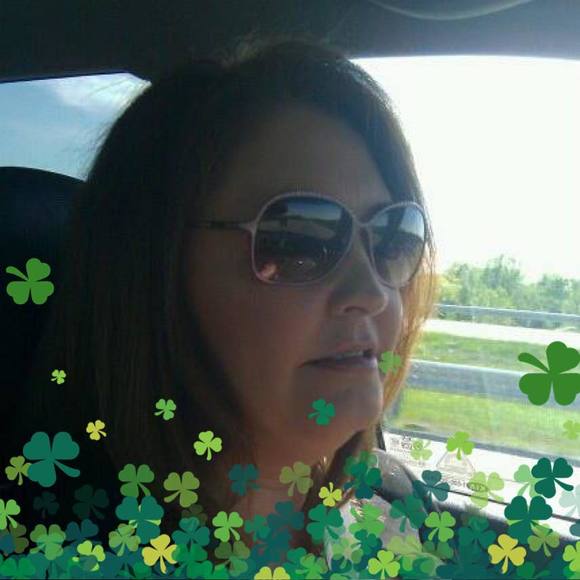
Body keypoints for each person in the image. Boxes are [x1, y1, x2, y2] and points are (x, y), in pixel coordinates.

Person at [7, 32, 442, 576]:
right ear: (153, 277)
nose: (373, 292)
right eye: (298, 240)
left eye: (393, 237)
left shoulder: (394, 508)